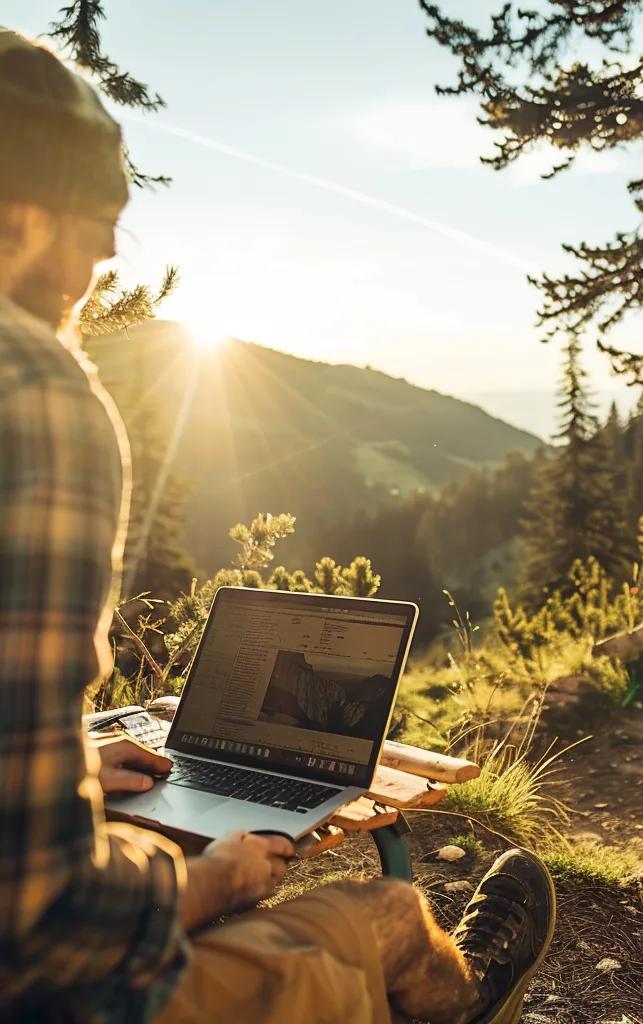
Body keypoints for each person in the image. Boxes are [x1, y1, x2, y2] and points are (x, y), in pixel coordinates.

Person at [0, 27, 555, 1024]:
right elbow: (41, 923)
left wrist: (56, 765)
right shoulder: (30, 389)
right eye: (96, 214)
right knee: (382, 912)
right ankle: (463, 1003)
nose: (107, 251)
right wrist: (207, 882)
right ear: (16, 220)